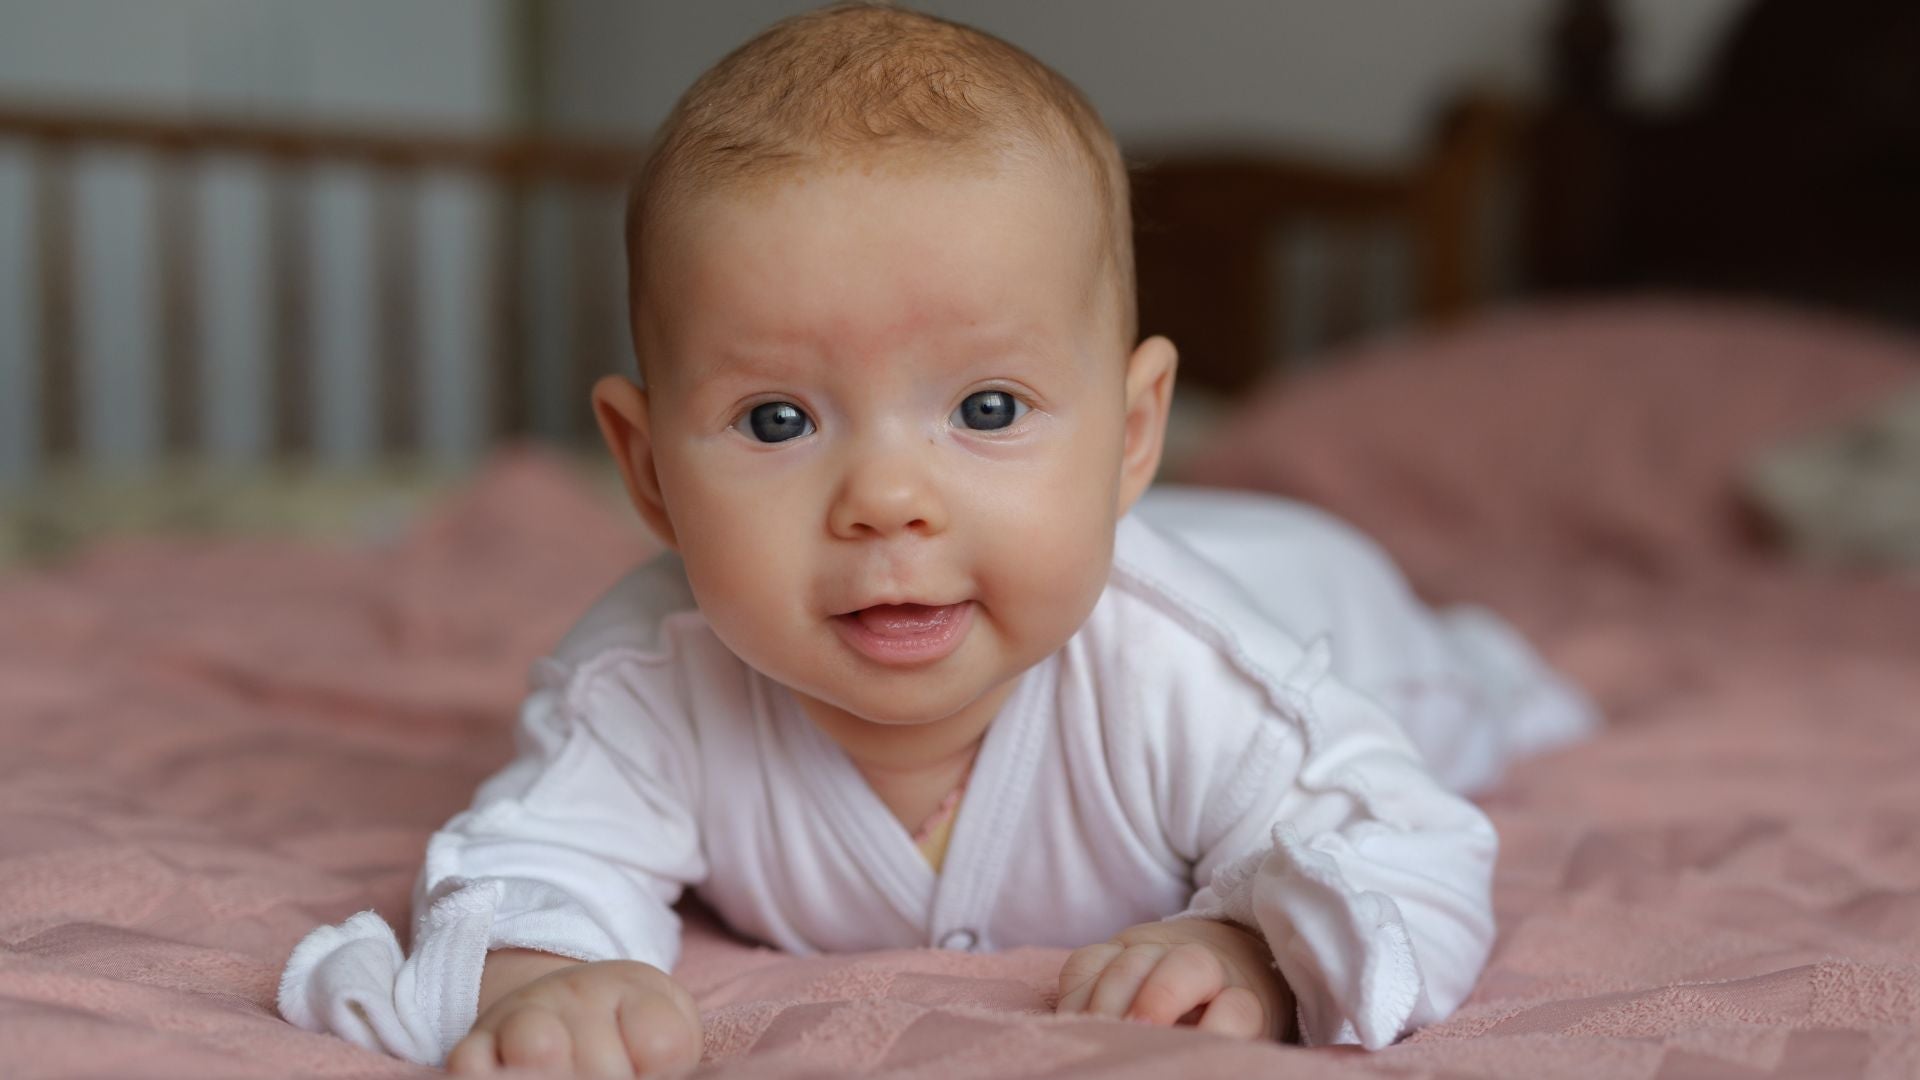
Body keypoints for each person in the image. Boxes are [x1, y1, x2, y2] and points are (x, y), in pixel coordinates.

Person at [276, 4, 1596, 1075]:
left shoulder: (1203, 678)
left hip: (1321, 601)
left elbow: (1397, 849)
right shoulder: (645, 682)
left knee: (1466, 701)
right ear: (649, 472)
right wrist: (542, 980)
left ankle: (1472, 656)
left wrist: (1256, 949)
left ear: (1135, 433)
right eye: (779, 419)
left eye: (986, 408)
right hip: (1088, 551)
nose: (888, 500)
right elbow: (526, 865)